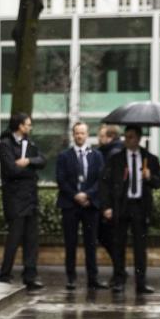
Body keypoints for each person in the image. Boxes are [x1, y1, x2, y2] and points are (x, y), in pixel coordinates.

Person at [102, 125, 160, 294]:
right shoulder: (116, 159)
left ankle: (141, 283)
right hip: (122, 206)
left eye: (130, 137)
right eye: (126, 136)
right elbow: (106, 184)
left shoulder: (149, 158)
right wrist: (107, 207)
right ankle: (119, 280)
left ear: (138, 138)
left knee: (140, 247)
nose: (127, 140)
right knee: (118, 245)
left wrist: (150, 177)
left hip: (140, 207)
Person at [55, 121, 107, 290]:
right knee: (70, 243)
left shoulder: (97, 156)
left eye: (82, 133)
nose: (79, 136)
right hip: (70, 205)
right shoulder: (64, 156)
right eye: (77, 133)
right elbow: (61, 180)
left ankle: (93, 279)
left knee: (91, 243)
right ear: (73, 134)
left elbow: (101, 179)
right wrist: (75, 195)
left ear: (87, 134)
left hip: (90, 205)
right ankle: (71, 278)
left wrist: (87, 195)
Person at [0, 113, 45, 290]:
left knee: (31, 239)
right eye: (28, 124)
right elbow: (10, 170)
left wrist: (28, 161)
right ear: (19, 126)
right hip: (15, 199)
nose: (30, 127)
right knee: (14, 237)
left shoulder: (30, 144)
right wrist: (30, 170)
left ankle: (30, 276)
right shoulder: (5, 145)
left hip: (30, 198)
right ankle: (5, 274)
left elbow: (42, 160)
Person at [96, 124, 124, 275]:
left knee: (108, 237)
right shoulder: (112, 151)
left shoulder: (112, 153)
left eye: (101, 136)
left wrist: (107, 205)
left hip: (112, 204)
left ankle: (119, 270)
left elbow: (108, 181)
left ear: (110, 137)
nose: (99, 140)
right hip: (113, 204)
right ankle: (119, 269)